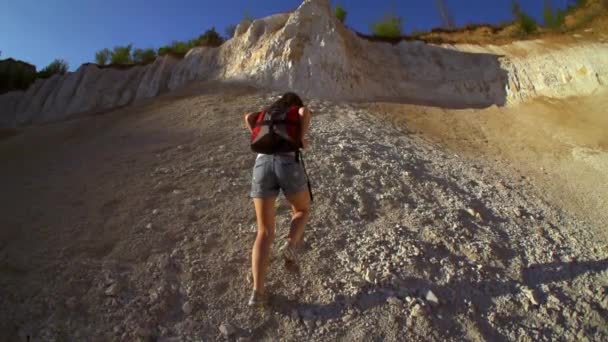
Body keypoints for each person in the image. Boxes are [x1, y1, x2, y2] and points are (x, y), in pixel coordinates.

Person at [244, 92, 312, 307]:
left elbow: (248, 117)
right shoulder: (295, 111)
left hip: (261, 164)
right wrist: (301, 137)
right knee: (301, 210)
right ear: (294, 104)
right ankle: (290, 244)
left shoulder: (267, 113)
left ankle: (258, 292)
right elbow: (304, 112)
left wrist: (258, 138)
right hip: (287, 163)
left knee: (263, 231)